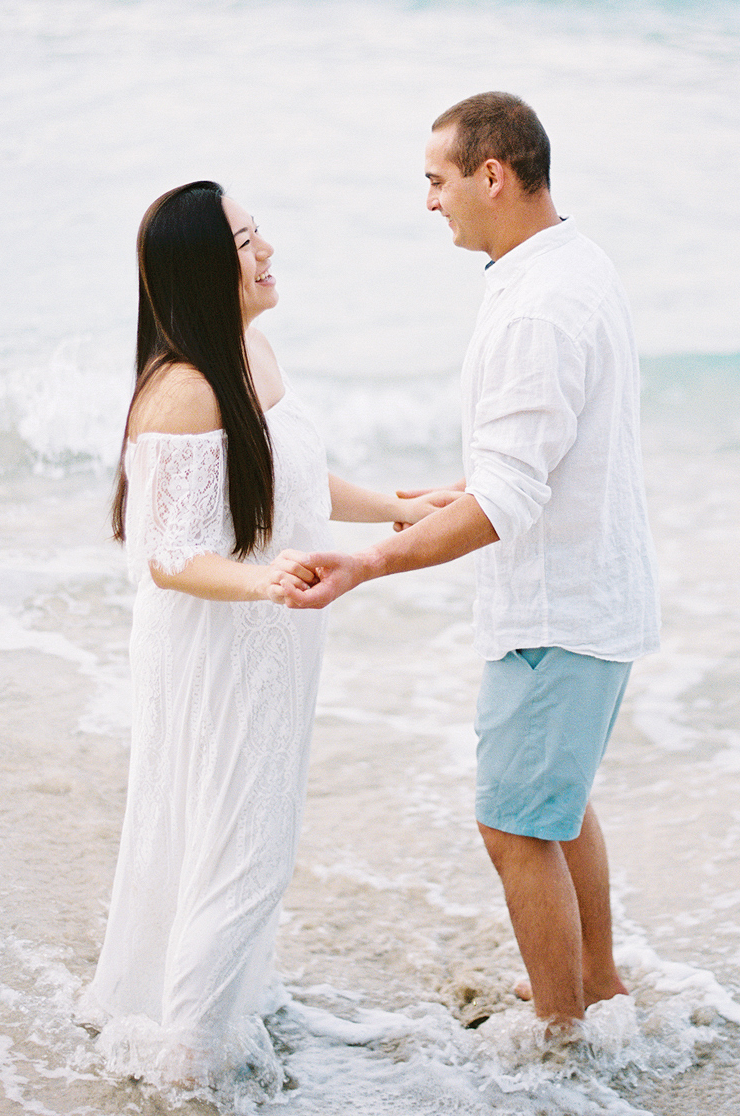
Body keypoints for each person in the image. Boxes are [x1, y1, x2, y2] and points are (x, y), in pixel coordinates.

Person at [280, 93, 660, 1035]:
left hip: (555, 611)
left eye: (437, 180)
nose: (429, 202)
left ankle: (562, 1038)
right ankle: (596, 988)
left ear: (492, 175)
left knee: (515, 824)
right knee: (556, 807)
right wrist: (442, 495)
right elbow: (532, 460)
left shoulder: (537, 306)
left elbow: (511, 502)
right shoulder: (571, 264)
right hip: (589, 596)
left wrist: (368, 560)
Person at [79, 180, 444, 1088]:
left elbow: (295, 484)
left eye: (257, 232)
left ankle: (214, 1009)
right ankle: (189, 1071)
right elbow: (169, 555)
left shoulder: (252, 350)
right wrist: (260, 581)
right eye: (246, 241)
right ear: (208, 266)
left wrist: (398, 506)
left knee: (243, 832)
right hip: (217, 641)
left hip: (270, 627)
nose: (268, 249)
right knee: (243, 844)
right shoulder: (181, 392)